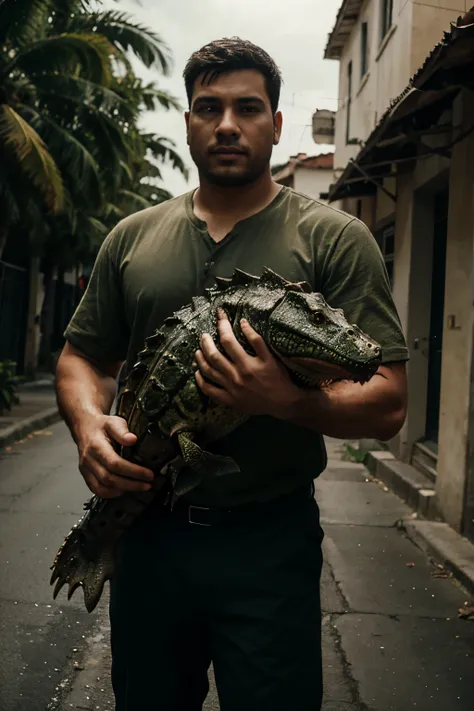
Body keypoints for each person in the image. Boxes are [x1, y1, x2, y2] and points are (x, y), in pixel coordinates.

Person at [56, 37, 409, 711]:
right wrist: (85, 426)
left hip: (267, 542)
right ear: (188, 121)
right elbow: (82, 357)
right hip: (150, 540)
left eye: (248, 108)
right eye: (207, 107)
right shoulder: (131, 237)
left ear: (276, 125)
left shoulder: (335, 238)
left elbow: (388, 399)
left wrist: (284, 401)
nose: (226, 124)